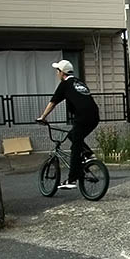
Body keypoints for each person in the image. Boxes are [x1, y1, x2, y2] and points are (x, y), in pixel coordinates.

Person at [37, 60, 99, 189]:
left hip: (82, 117)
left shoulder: (65, 84)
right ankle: (88, 154)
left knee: (75, 147)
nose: (56, 74)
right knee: (73, 136)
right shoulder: (79, 82)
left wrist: (43, 117)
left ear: (61, 72)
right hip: (94, 116)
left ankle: (72, 180)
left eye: (57, 71)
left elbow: (53, 102)